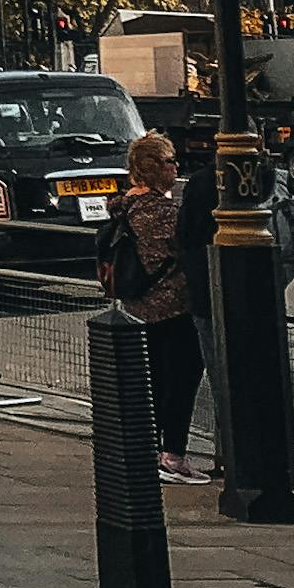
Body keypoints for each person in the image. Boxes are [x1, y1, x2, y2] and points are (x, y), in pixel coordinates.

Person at [106, 133, 206, 481]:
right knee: (181, 381)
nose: (176, 166)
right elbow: (186, 249)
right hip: (171, 308)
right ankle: (172, 456)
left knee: (152, 382)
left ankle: (149, 450)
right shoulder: (160, 213)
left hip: (137, 308)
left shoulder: (123, 206)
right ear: (152, 169)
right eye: (170, 161)